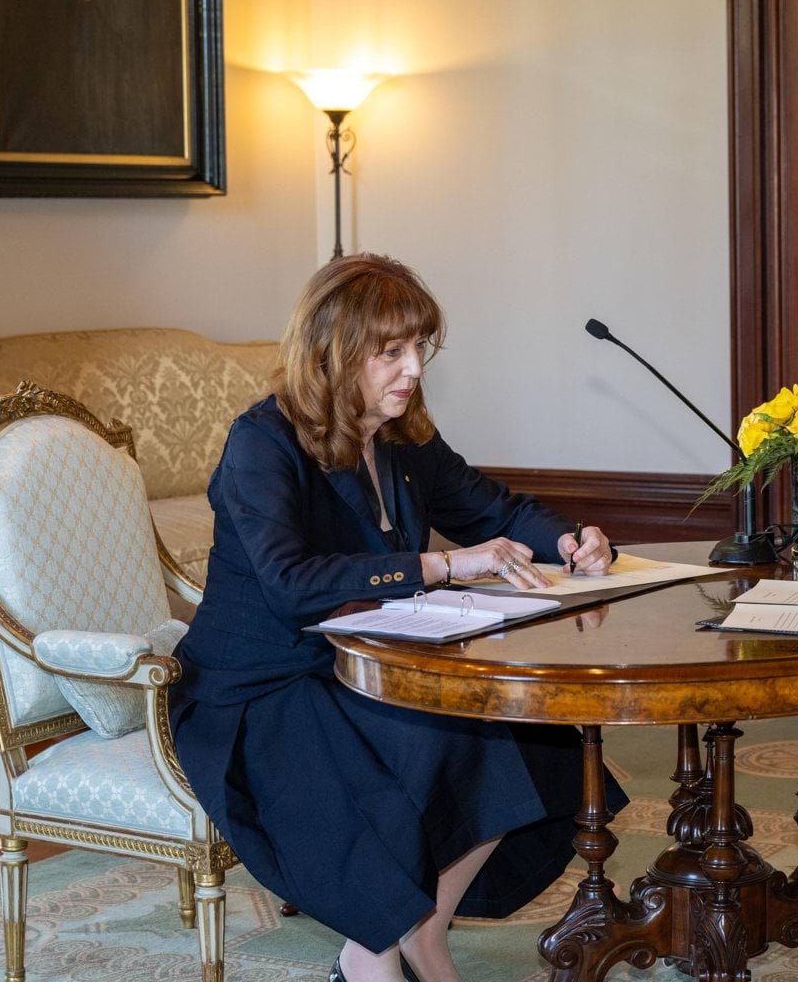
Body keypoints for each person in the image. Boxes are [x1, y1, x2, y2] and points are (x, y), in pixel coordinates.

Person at [169, 254, 624, 982]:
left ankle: (421, 933)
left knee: (529, 735)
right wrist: (440, 566)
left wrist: (571, 541)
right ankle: (375, 950)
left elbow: (493, 508)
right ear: (333, 352)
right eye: (390, 352)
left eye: (418, 348)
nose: (413, 369)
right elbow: (291, 585)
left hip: (364, 662)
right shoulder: (262, 441)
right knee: (430, 745)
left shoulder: (403, 436)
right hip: (258, 686)